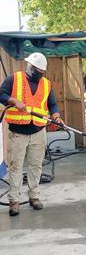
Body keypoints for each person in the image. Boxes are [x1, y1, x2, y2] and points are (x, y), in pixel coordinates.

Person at [0, 52, 64, 216]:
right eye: (35, 69)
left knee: (36, 166)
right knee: (16, 166)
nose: (38, 73)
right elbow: (1, 94)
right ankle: (14, 201)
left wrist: (56, 116)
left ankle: (34, 197)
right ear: (29, 66)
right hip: (18, 132)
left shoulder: (46, 84)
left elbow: (52, 104)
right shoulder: (14, 79)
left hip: (38, 131)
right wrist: (14, 101)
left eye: (41, 71)